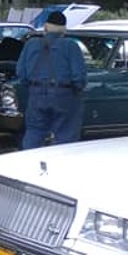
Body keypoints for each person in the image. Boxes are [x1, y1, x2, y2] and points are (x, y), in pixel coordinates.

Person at [16, 11, 86, 150]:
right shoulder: (70, 46)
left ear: (46, 27)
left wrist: (32, 87)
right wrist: (77, 89)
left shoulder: (31, 44)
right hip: (64, 94)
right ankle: (61, 163)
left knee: (34, 132)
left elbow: (21, 73)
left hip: (36, 94)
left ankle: (28, 162)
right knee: (65, 133)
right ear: (64, 30)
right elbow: (79, 76)